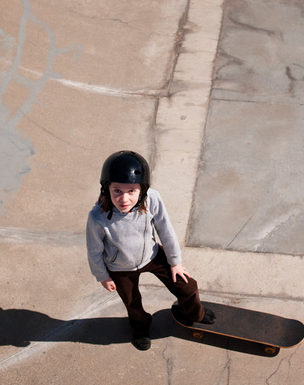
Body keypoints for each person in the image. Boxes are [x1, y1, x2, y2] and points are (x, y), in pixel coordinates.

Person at [86, 150, 215, 350]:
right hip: (120, 267)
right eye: (117, 191)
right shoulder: (98, 216)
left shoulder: (152, 199)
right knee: (132, 303)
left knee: (187, 286)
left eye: (131, 191)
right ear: (106, 189)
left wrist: (175, 261)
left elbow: (165, 229)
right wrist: (103, 275)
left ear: (142, 190)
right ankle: (140, 328)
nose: (124, 198)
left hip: (152, 256)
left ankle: (193, 313)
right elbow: (94, 249)